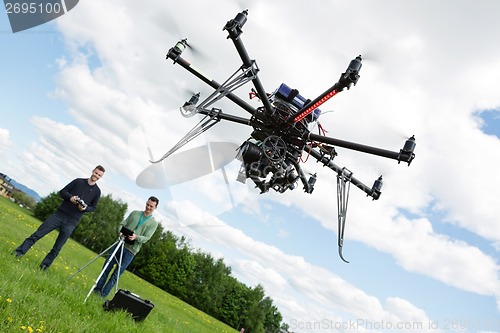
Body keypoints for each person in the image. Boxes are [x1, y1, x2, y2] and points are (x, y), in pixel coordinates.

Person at [14, 165, 105, 270]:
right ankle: (18, 253)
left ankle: (44, 267)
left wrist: (84, 208)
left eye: (99, 175)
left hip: (72, 222)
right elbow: (62, 192)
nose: (96, 176)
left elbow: (93, 208)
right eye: (96, 173)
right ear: (93, 171)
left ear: (100, 177)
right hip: (59, 215)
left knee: (57, 248)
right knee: (37, 235)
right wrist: (70, 198)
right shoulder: (78, 181)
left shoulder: (97, 192)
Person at [94, 196, 159, 297]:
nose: (148, 207)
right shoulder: (135, 213)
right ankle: (97, 290)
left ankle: (103, 294)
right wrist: (120, 232)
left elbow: (147, 238)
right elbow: (122, 224)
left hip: (131, 251)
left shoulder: (153, 223)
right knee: (106, 267)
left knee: (116, 274)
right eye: (147, 204)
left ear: (155, 207)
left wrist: (136, 237)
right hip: (119, 244)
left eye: (151, 206)